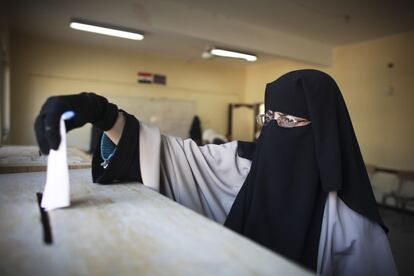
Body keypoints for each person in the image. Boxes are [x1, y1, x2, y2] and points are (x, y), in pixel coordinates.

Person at [34, 69, 397, 275]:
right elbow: (173, 156)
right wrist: (102, 113)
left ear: (323, 131)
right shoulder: (246, 164)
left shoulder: (351, 220)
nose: (273, 128)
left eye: (287, 120)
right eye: (268, 118)